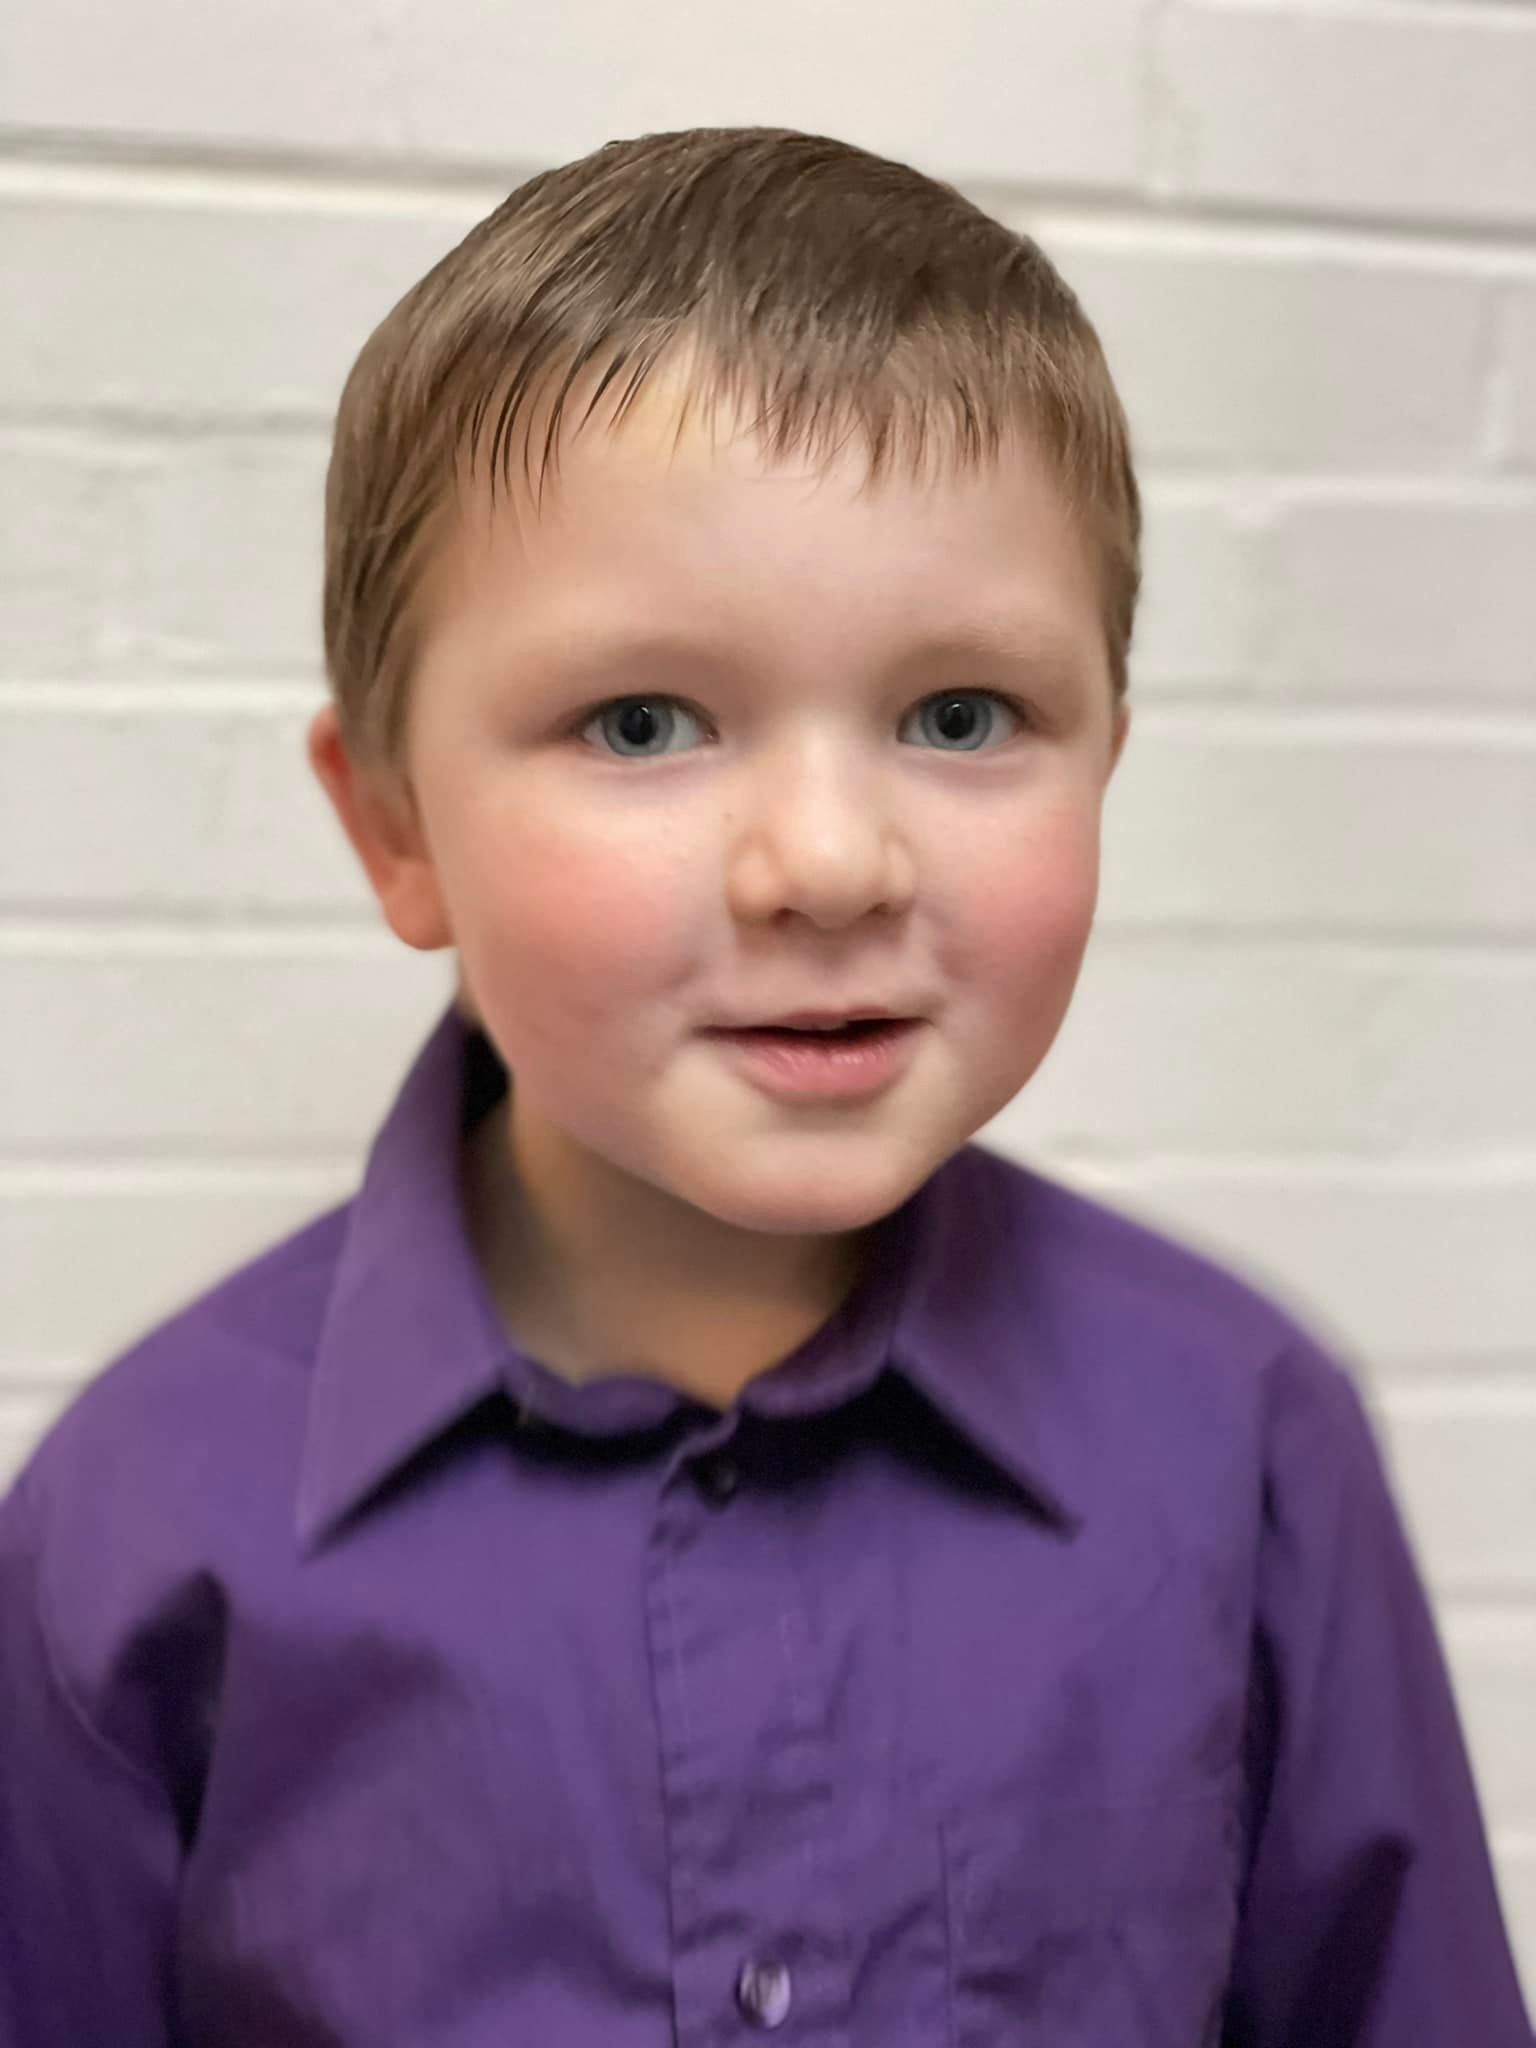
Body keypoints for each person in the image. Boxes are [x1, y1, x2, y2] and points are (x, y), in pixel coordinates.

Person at [0, 125, 1528, 2048]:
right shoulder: (135, 1531)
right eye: (644, 722)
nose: (830, 862)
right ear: (395, 826)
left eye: (961, 716)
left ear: (1109, 760)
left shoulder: (1249, 1442)